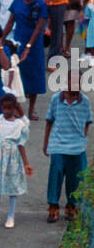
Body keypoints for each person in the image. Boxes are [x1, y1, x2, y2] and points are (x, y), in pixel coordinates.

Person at [44, 79, 92, 222]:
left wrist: (82, 139)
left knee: (75, 179)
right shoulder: (56, 99)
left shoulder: (85, 101)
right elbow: (49, 121)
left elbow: (87, 122)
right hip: (58, 145)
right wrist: (46, 143)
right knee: (55, 177)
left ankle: (71, 206)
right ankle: (53, 206)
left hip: (77, 148)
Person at [0, 93, 33, 229]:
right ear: (1, 107)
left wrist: (26, 163)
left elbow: (21, 145)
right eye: (4, 108)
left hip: (12, 158)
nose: (7, 111)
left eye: (10, 108)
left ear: (15, 108)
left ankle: (11, 215)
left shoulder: (20, 125)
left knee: (13, 185)